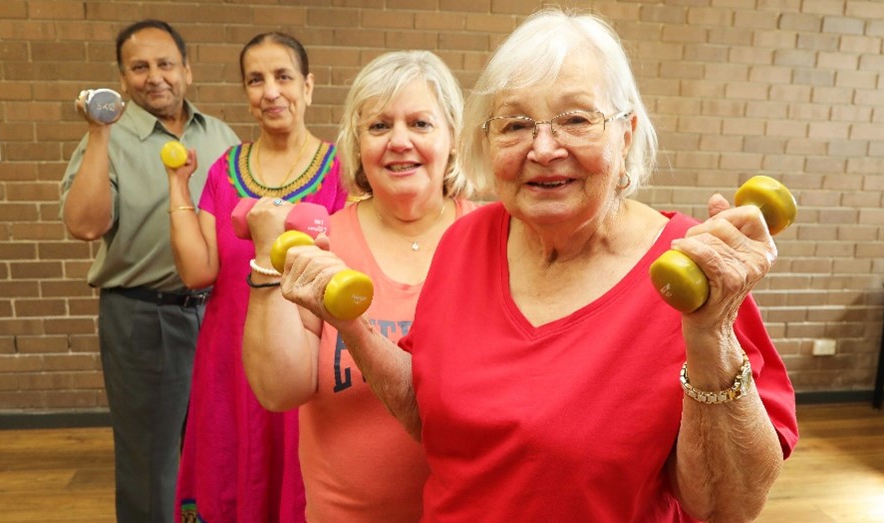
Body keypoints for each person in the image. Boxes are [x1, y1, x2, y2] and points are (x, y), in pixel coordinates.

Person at [265, 8, 800, 522]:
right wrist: (351, 328)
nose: (543, 148)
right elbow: (430, 415)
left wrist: (711, 334)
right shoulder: (465, 242)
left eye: (575, 119)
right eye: (515, 124)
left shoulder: (694, 266)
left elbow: (729, 505)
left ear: (627, 133)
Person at [240, 50, 475, 521]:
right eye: (379, 126)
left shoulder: (496, 238)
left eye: (421, 124)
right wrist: (268, 260)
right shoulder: (321, 243)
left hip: (472, 510)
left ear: (453, 138)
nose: (399, 141)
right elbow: (278, 390)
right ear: (358, 145)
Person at [60, 20, 240, 523]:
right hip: (144, 315)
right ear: (123, 79)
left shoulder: (221, 135)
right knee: (150, 461)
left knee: (212, 447)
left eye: (165, 64)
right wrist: (99, 132)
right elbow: (86, 225)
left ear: (187, 69)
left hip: (216, 313)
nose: (154, 77)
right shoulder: (110, 138)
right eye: (139, 67)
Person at [167, 32, 347, 523]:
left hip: (305, 359)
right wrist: (177, 187)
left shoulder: (342, 171)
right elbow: (198, 271)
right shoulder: (225, 171)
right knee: (232, 479)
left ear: (308, 87)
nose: (270, 91)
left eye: (283, 76)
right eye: (255, 79)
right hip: (229, 360)